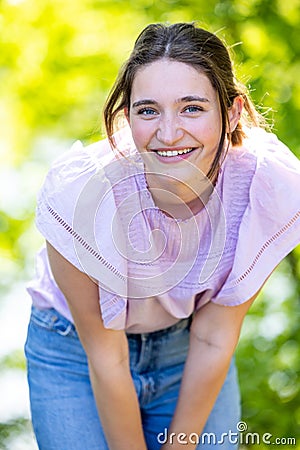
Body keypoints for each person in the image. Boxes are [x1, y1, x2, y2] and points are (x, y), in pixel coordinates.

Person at [24, 22, 300, 450]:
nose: (169, 134)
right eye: (148, 110)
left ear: (232, 113)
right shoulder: (80, 197)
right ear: (126, 116)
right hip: (75, 351)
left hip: (188, 346)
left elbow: (215, 335)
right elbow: (106, 355)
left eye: (192, 108)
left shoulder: (265, 187)